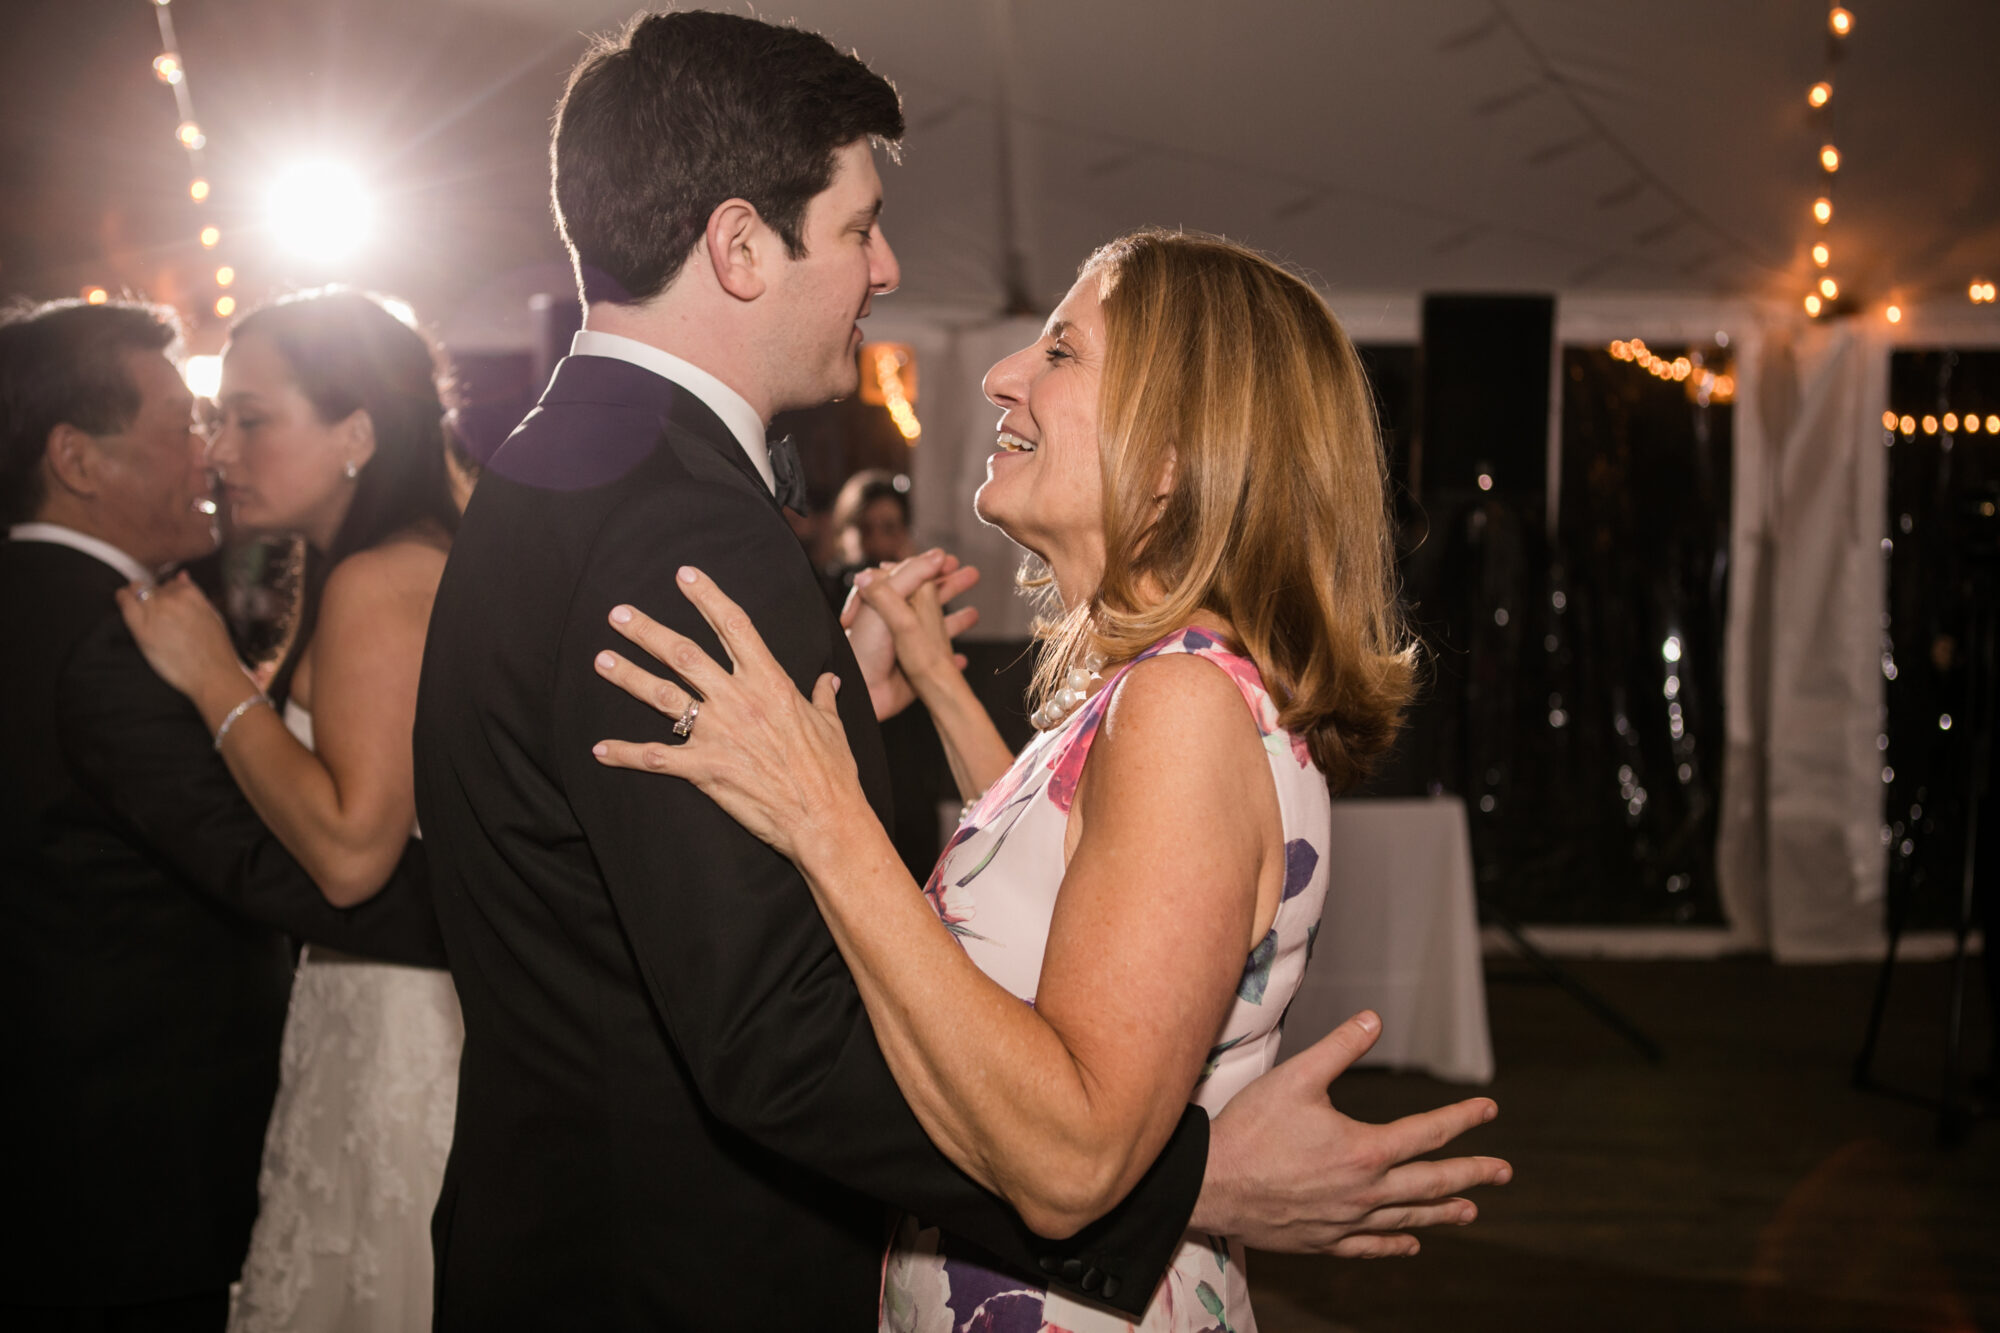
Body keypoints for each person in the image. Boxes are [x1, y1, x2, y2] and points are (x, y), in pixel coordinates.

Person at [412, 14, 1507, 1330]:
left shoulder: (559, 467)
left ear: (1174, 454)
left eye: (1060, 350)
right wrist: (1192, 1185)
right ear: (741, 246)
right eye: (860, 226)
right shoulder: (677, 522)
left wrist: (833, 779)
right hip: (674, 1275)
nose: (891, 273)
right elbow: (778, 1028)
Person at [592, 228, 1468, 1328]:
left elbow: (1070, 1161)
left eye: (1060, 351)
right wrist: (936, 684)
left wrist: (823, 810)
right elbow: (1063, 882)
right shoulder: (1164, 687)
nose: (1003, 376)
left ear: (1171, 454)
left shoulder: (1185, 708)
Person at [0, 299, 445, 1333]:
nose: (212, 453)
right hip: (122, 1182)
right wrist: (535, 918)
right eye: (191, 423)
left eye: (243, 420)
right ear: (76, 459)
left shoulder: (52, 608)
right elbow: (278, 862)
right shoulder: (100, 642)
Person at [114, 289, 472, 1333]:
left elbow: (355, 851)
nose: (219, 449)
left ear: (356, 432)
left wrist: (212, 678)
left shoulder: (379, 578)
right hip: (374, 1009)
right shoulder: (377, 563)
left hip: (399, 1029)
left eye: (252, 418)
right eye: (216, 418)